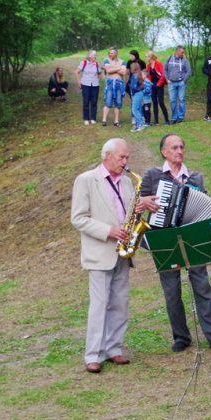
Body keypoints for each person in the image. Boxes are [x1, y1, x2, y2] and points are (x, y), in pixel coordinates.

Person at [140, 133, 211, 353]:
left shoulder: (195, 178)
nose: (179, 151)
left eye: (181, 147)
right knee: (171, 289)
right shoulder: (153, 176)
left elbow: (205, 206)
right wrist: (144, 202)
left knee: (202, 286)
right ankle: (181, 336)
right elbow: (139, 203)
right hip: (164, 237)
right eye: (174, 148)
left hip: (193, 237)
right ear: (164, 151)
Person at [70, 138, 158, 373]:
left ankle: (114, 349)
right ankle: (93, 354)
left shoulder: (128, 183)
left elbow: (128, 211)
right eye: (122, 157)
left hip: (123, 251)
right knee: (99, 305)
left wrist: (139, 210)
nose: (126, 162)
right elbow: (78, 218)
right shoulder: (86, 180)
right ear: (107, 156)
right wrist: (108, 231)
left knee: (120, 303)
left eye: (127, 157)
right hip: (100, 251)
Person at [165, 45, 192, 124]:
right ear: (177, 51)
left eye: (183, 52)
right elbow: (165, 69)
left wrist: (184, 80)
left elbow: (189, 71)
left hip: (181, 83)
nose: (183, 54)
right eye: (182, 52)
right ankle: (174, 117)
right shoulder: (169, 58)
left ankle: (180, 117)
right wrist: (167, 79)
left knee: (181, 100)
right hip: (171, 83)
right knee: (172, 100)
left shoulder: (185, 60)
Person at [75, 50, 101, 125]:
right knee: (86, 101)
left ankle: (93, 118)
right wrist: (79, 82)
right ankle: (86, 118)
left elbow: (99, 73)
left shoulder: (97, 64)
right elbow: (76, 72)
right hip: (85, 84)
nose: (95, 56)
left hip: (95, 85)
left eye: (96, 55)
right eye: (94, 55)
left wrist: (98, 80)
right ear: (89, 55)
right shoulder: (84, 63)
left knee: (94, 102)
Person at [101, 48, 126, 127]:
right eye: (109, 53)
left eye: (112, 53)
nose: (110, 54)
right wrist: (119, 68)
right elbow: (108, 71)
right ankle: (104, 120)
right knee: (107, 101)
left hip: (119, 83)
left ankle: (116, 121)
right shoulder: (106, 60)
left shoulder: (123, 61)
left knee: (118, 102)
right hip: (110, 83)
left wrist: (112, 68)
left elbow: (124, 72)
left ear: (116, 53)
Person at [146, 51, 170, 126]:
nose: (146, 58)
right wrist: (149, 84)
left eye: (147, 56)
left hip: (159, 85)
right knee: (154, 103)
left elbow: (163, 75)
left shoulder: (159, 64)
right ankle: (156, 121)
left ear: (151, 57)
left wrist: (159, 84)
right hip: (152, 85)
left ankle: (167, 120)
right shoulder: (148, 65)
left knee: (161, 102)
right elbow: (148, 76)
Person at [126, 50, 150, 125]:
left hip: (139, 84)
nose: (130, 57)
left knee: (140, 102)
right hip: (131, 83)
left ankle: (141, 117)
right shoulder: (129, 62)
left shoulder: (142, 62)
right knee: (134, 102)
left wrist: (142, 82)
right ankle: (134, 117)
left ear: (135, 55)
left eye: (132, 55)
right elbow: (127, 72)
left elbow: (144, 73)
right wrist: (127, 81)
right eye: (130, 55)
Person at [128, 63, 147, 133]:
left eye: (131, 67)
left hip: (137, 94)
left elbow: (134, 87)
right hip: (138, 93)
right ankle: (137, 124)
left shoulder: (135, 76)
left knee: (134, 109)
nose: (130, 69)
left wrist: (131, 87)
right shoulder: (138, 74)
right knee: (137, 109)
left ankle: (140, 124)